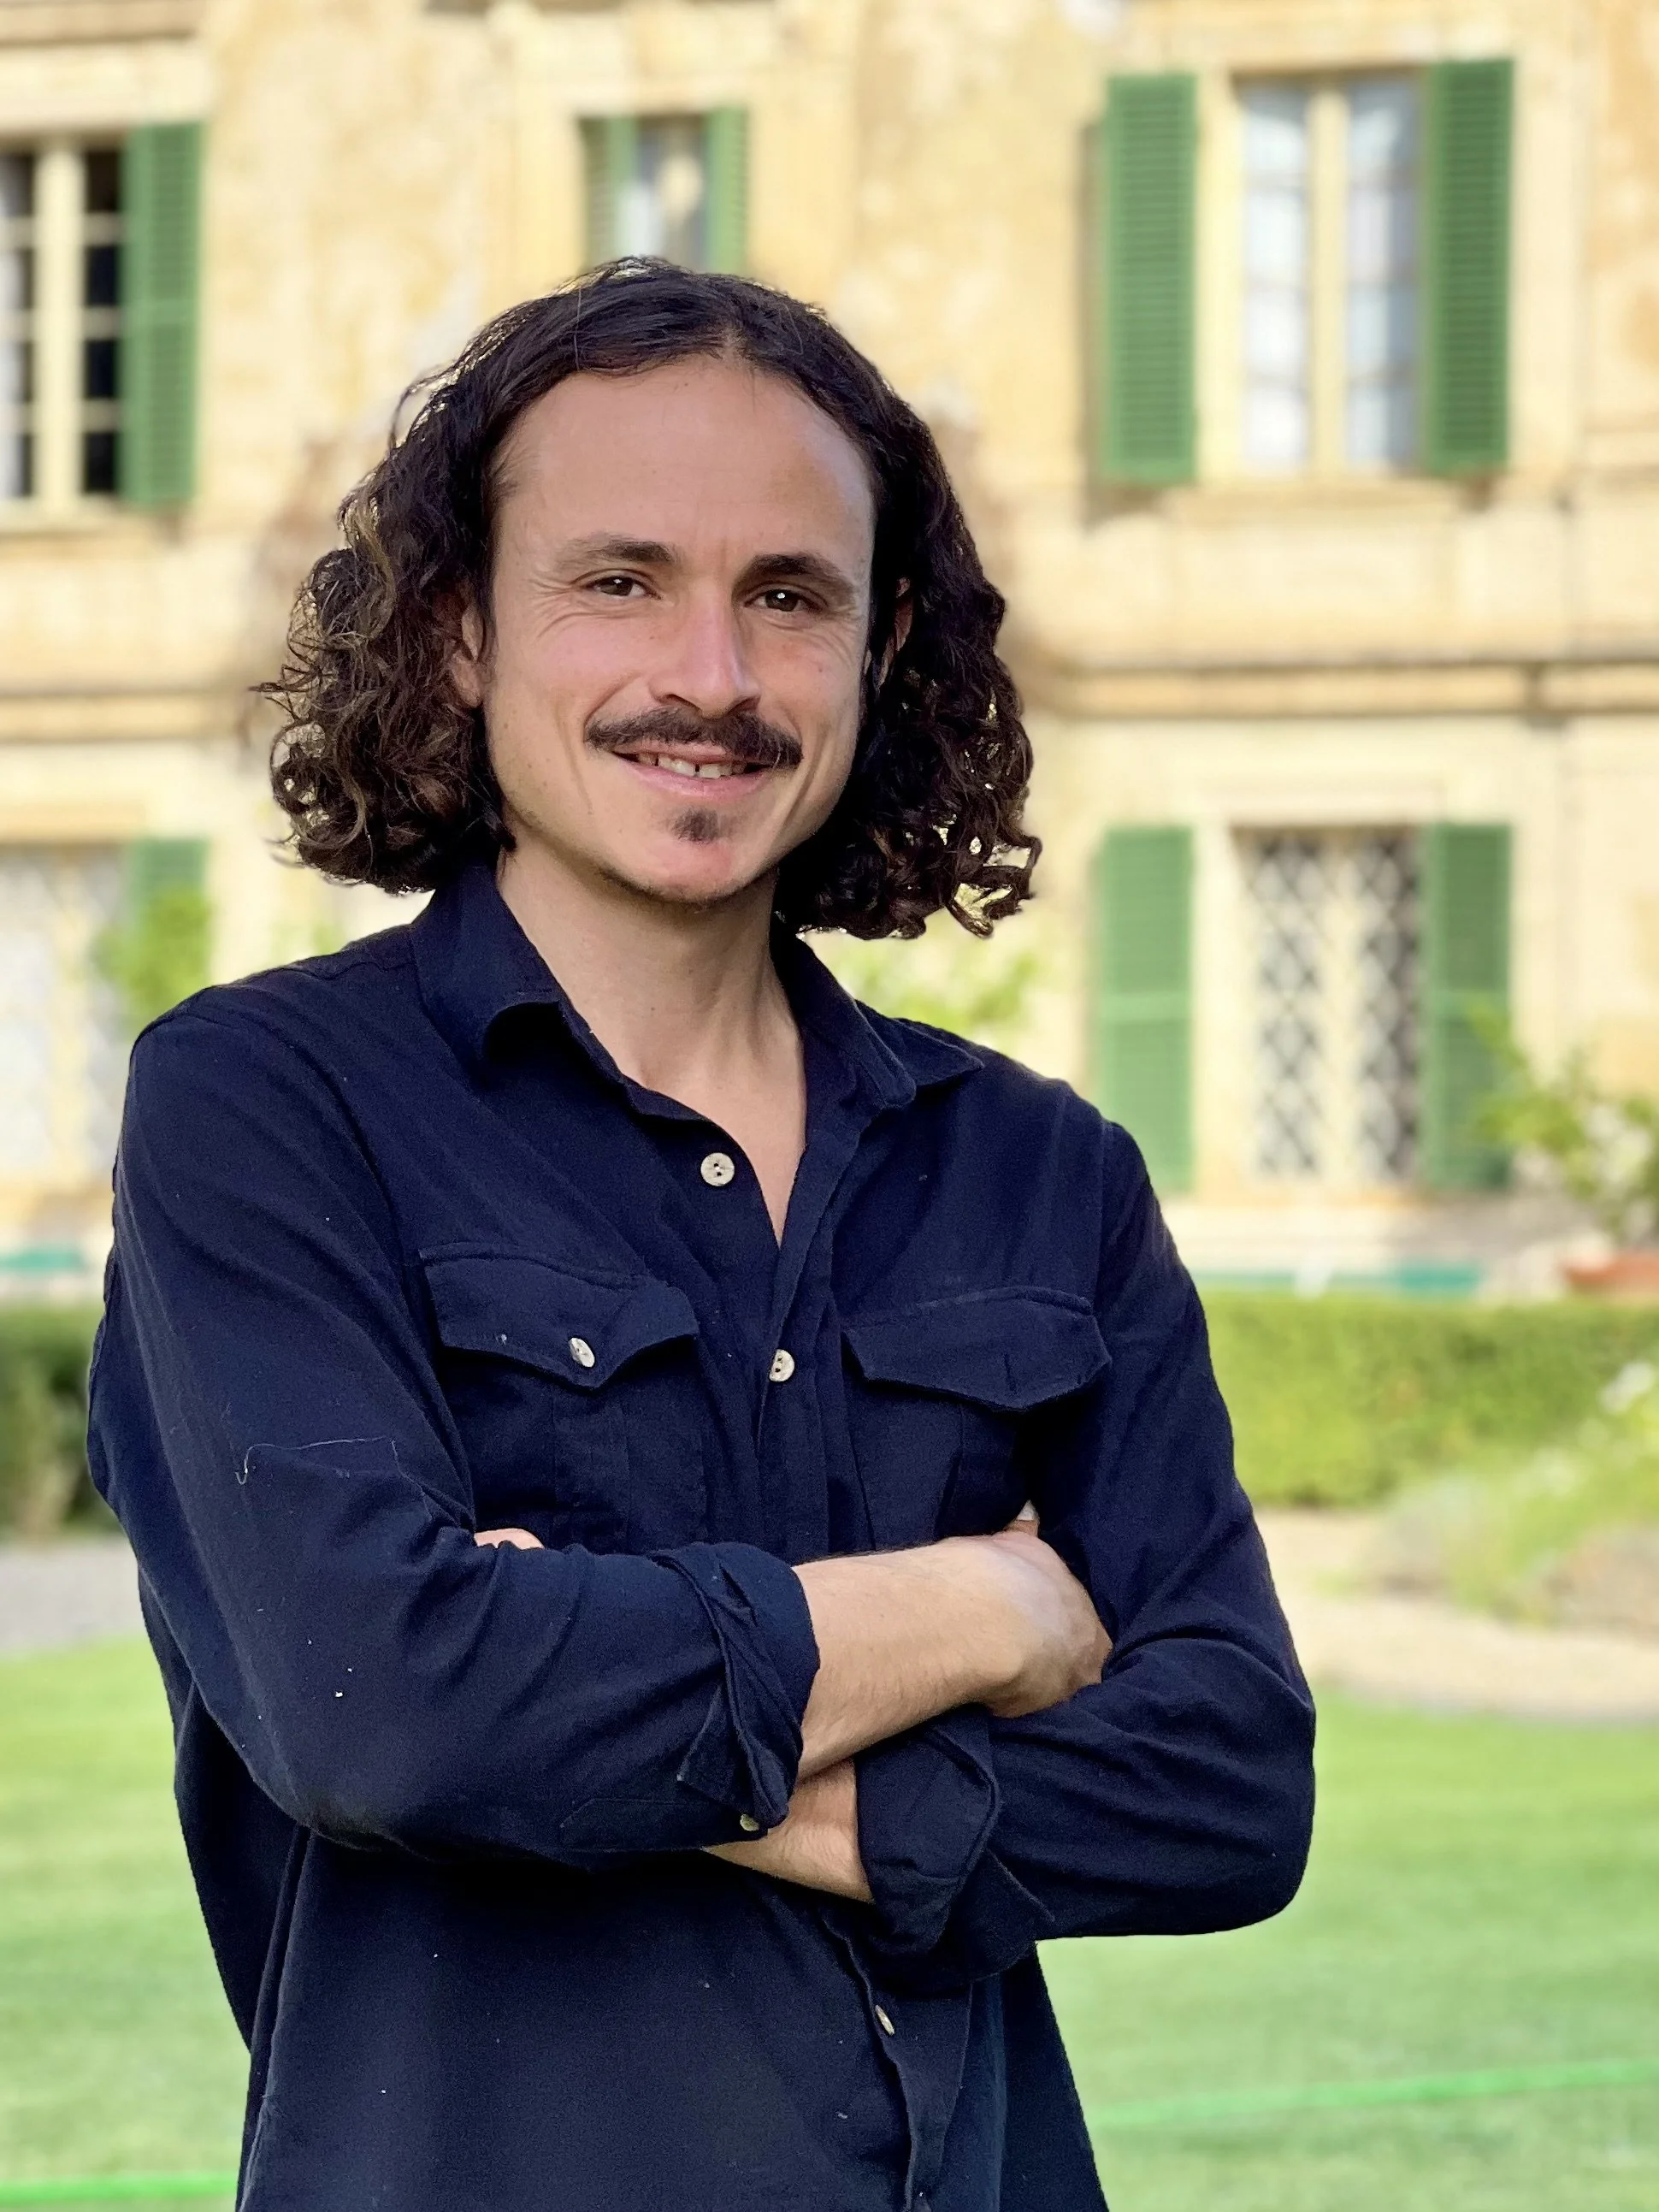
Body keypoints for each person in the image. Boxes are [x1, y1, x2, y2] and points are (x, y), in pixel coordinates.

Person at [90, 260, 1314, 2212]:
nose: (713, 679)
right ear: (460, 627)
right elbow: (381, 1711)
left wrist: (592, 1710)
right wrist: (982, 1616)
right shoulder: (264, 1111)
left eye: (788, 597)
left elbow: (1235, 1789)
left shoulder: (1039, 1168)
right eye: (620, 578)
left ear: (880, 643)